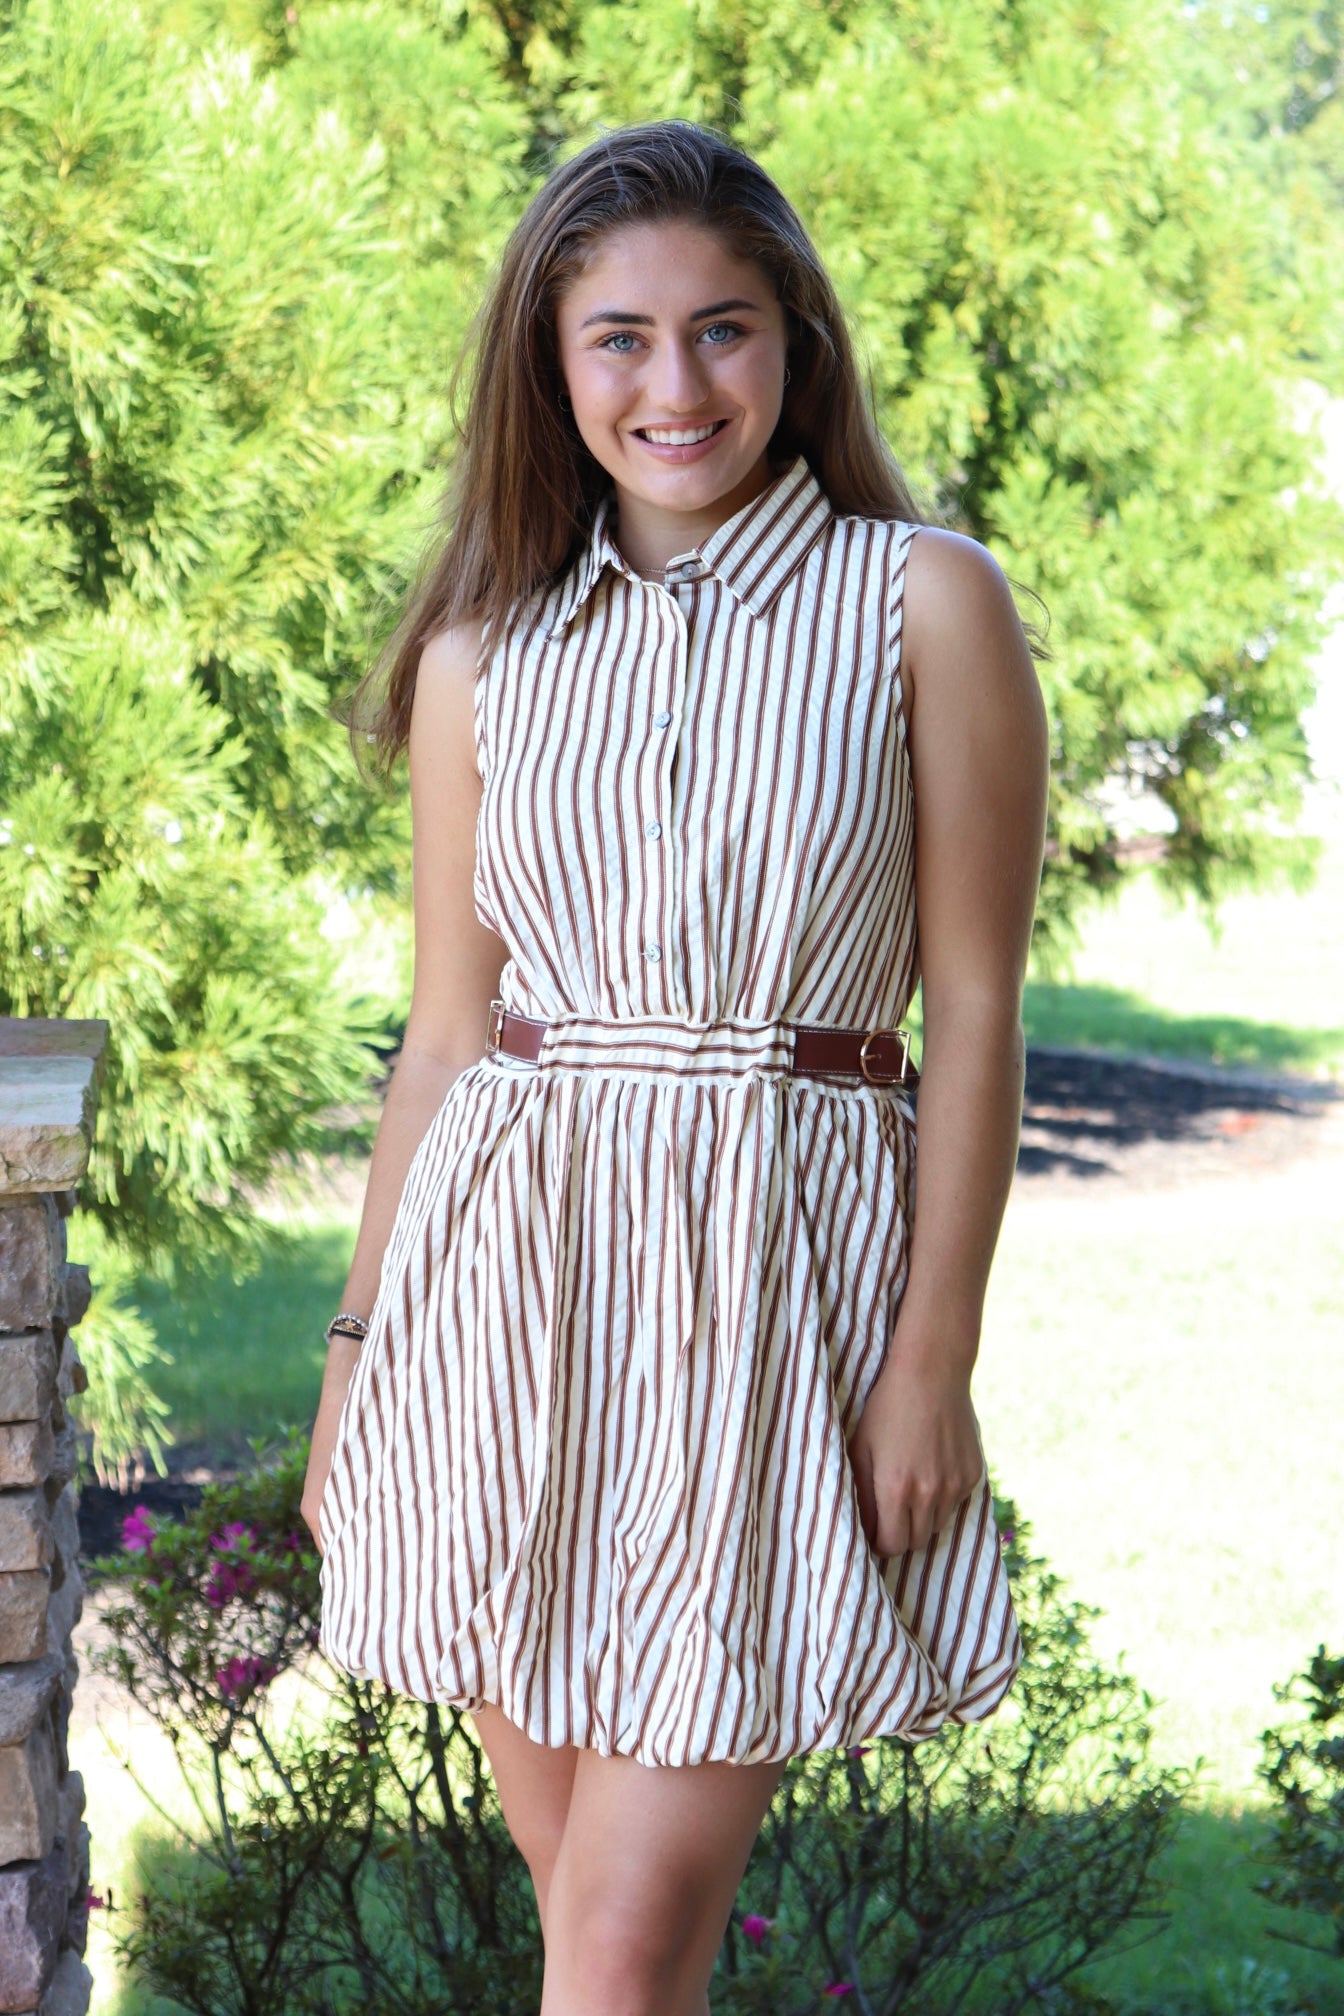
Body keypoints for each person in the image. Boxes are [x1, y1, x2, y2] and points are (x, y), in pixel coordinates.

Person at [301, 118, 1050, 2016]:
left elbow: (971, 1005)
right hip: (513, 1311)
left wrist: (929, 1358)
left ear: (796, 339)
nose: (674, 383)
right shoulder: (486, 652)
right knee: (597, 1923)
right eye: (616, 339)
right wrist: (358, 1364)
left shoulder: (922, 600)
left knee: (617, 1956)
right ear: (552, 373)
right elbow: (448, 1040)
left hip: (771, 1305)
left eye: (721, 328)